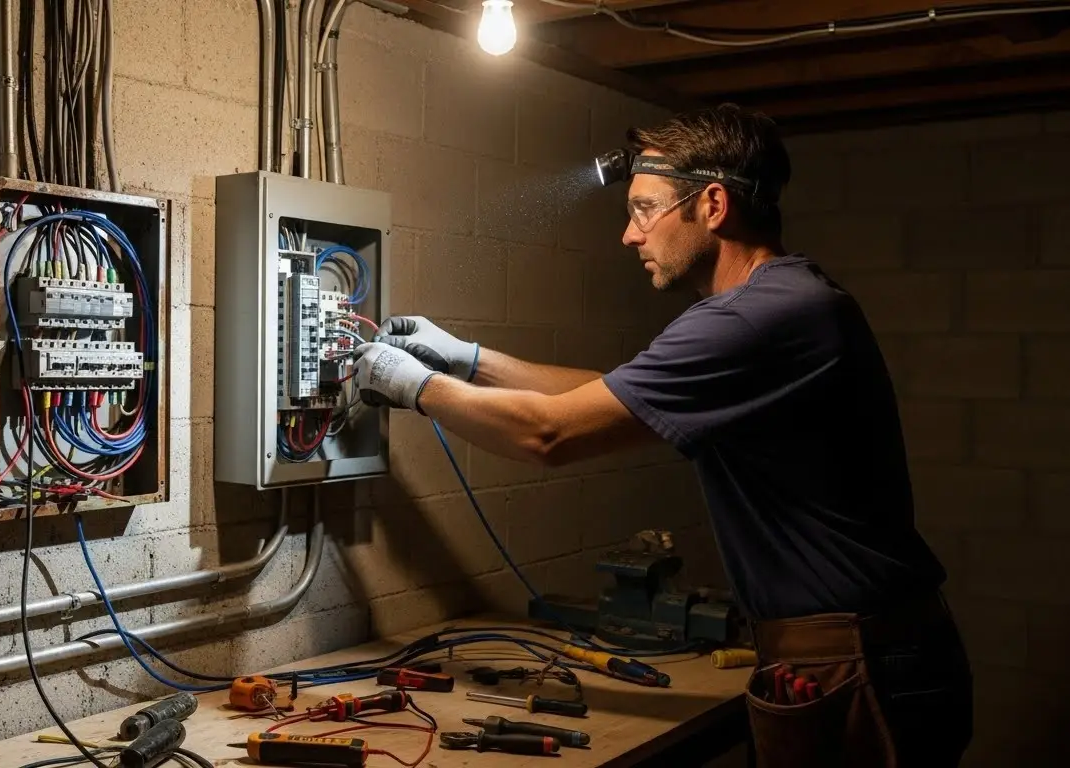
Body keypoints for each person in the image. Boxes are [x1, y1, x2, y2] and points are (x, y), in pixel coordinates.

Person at [350, 103, 972, 767]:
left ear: (711, 205)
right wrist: (468, 358)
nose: (628, 235)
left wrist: (410, 384)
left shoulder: (756, 319)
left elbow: (549, 435)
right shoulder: (783, 301)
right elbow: (608, 393)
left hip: (858, 659)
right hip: (861, 646)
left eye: (643, 209)